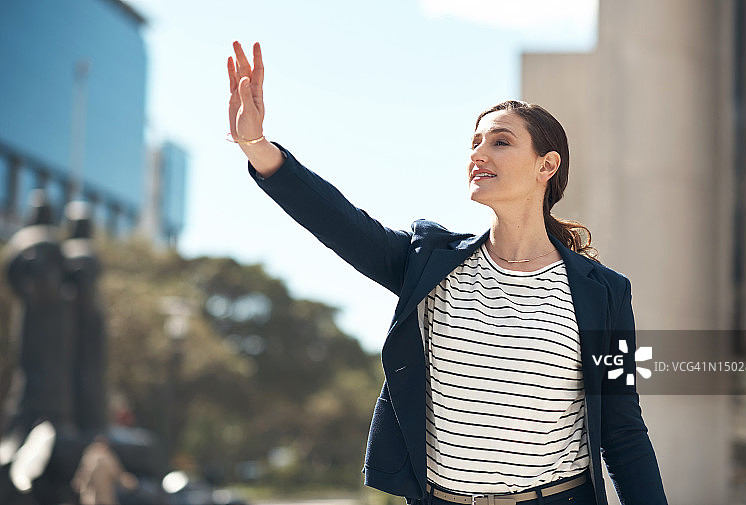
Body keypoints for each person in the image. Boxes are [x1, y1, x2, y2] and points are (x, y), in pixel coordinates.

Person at [227, 41, 668, 505]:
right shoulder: (429, 263)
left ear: (547, 165)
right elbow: (341, 223)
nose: (479, 153)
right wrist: (257, 147)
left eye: (500, 141)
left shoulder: (605, 294)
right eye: (474, 142)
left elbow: (622, 431)